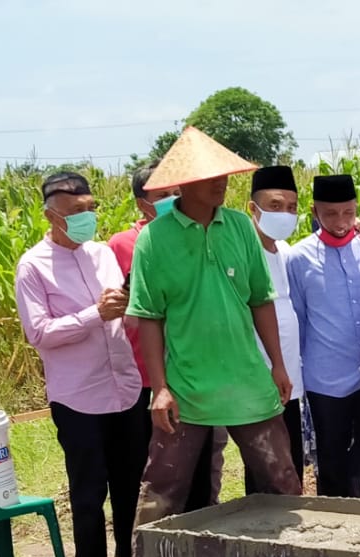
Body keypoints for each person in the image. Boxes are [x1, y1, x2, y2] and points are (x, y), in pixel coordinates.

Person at [127, 127, 301, 530]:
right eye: (210, 178)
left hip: (247, 378)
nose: (221, 184)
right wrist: (160, 388)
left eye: (224, 176)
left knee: (282, 479)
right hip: (188, 385)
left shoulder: (240, 227)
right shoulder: (154, 240)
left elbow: (261, 299)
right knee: (163, 487)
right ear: (184, 184)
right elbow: (149, 317)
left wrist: (277, 364)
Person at [15, 171, 146, 557]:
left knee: (131, 483)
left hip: (124, 386)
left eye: (90, 209)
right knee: (89, 490)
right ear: (51, 214)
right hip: (78, 397)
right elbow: (39, 334)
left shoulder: (104, 254)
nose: (86, 218)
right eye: (75, 212)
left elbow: (124, 308)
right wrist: (95, 314)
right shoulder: (34, 266)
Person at [108, 164, 215, 513]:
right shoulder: (123, 245)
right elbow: (123, 309)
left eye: (176, 192)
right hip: (146, 376)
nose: (172, 200)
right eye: (161, 196)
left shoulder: (200, 233)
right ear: (142, 204)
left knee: (201, 469)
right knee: (155, 467)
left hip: (195, 371)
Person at [288, 173, 360, 499]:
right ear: (314, 212)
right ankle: (336, 524)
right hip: (325, 378)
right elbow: (299, 318)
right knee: (332, 456)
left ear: (356, 208)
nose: (340, 221)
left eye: (348, 213)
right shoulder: (299, 258)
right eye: (330, 214)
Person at [247, 164, 306, 490]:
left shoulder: (285, 252)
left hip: (289, 381)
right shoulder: (243, 252)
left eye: (291, 208)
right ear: (252, 209)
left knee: (290, 463)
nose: (285, 214)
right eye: (275, 206)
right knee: (264, 470)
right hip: (260, 379)